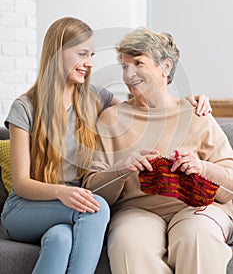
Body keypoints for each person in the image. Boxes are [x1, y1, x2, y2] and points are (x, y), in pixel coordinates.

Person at [0, 17, 210, 274]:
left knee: (60, 239)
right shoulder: (25, 107)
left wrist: (187, 102)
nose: (89, 63)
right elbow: (21, 183)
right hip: (26, 208)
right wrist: (61, 192)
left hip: (72, 207)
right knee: (96, 210)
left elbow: (143, 105)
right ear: (57, 53)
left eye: (92, 55)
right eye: (82, 54)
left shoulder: (95, 99)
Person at [83, 27, 233, 274]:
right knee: (128, 244)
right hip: (136, 211)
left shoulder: (197, 114)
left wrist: (202, 167)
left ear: (165, 67)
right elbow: (93, 189)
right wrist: (121, 169)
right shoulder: (111, 119)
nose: (128, 74)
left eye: (138, 63)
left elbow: (230, 186)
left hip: (197, 208)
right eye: (124, 66)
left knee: (197, 237)